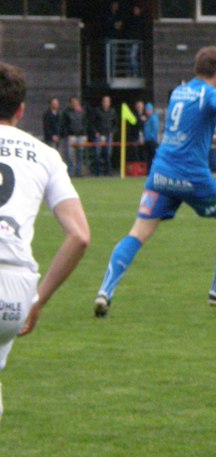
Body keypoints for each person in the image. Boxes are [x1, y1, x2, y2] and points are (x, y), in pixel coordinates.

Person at [92, 46, 216, 317]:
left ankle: (105, 292)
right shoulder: (210, 93)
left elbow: (182, 134)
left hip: (160, 174)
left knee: (138, 233)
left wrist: (215, 140)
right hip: (191, 176)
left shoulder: (180, 92)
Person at [0, 62, 90, 421]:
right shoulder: (46, 155)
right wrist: (38, 301)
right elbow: (80, 235)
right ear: (21, 110)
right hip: (17, 290)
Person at [60, 96, 87, 178]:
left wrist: (84, 133)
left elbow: (84, 122)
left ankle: (79, 172)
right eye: (73, 102)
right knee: (70, 155)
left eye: (76, 102)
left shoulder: (81, 112)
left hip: (80, 136)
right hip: (71, 136)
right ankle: (70, 172)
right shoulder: (66, 112)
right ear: (70, 103)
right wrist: (67, 133)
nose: (75, 104)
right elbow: (63, 124)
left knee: (80, 154)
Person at [91, 95, 117, 176]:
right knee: (97, 153)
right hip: (99, 135)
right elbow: (92, 123)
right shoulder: (97, 111)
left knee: (108, 153)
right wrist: (95, 132)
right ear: (102, 102)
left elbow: (116, 124)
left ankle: (108, 171)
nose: (106, 103)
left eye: (107, 101)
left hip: (108, 134)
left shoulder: (112, 111)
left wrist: (112, 131)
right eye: (105, 101)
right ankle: (97, 172)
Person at [125, 4, 146, 77]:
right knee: (128, 57)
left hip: (136, 41)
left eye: (136, 9)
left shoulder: (141, 20)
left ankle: (135, 73)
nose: (135, 11)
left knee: (132, 57)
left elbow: (141, 30)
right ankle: (129, 74)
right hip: (130, 41)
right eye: (134, 9)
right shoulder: (131, 19)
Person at [143, 102, 160, 171]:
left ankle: (153, 170)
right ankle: (149, 170)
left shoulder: (153, 118)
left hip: (152, 141)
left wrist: (152, 137)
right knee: (148, 157)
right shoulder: (148, 119)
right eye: (146, 110)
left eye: (148, 110)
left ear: (151, 110)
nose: (147, 111)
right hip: (147, 140)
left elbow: (155, 129)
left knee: (152, 156)